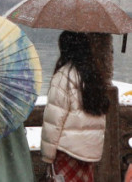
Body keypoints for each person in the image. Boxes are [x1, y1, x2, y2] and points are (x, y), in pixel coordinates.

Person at [41, 31, 109, 182]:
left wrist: (48, 155)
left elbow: (54, 120)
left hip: (67, 150)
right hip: (89, 152)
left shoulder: (63, 76)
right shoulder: (95, 77)